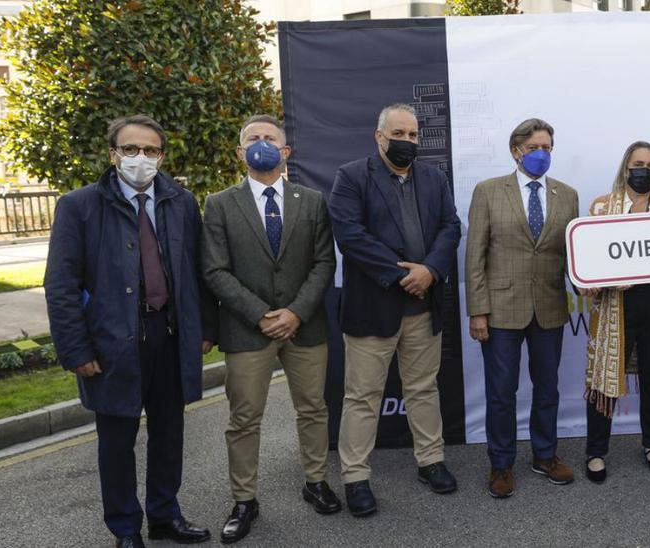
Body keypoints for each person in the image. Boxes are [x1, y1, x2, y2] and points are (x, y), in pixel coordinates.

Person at [45, 115, 216, 547]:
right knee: (116, 443)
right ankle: (124, 529)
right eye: (131, 149)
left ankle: (164, 515)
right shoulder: (79, 205)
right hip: (110, 342)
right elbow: (61, 285)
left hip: (170, 336)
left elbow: (198, 272)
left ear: (161, 155)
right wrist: (76, 348)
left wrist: (204, 329)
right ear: (113, 154)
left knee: (169, 434)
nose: (141, 158)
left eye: (151, 150)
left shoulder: (181, 201)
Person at [201, 115, 339, 542]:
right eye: (253, 140)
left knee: (313, 408)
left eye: (270, 139)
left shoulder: (312, 201)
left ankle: (315, 481)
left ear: (286, 152)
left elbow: (323, 263)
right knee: (244, 418)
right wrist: (262, 314)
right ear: (241, 153)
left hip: (305, 326)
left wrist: (295, 312)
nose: (262, 145)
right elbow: (215, 270)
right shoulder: (220, 204)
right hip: (247, 330)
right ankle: (245, 500)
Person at [327, 103, 462, 517]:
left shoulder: (433, 177)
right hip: (374, 309)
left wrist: (431, 270)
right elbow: (350, 235)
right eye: (399, 134)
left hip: (423, 307)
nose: (408, 142)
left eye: (413, 135)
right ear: (379, 137)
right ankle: (354, 477)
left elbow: (450, 226)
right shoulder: (351, 177)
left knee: (423, 390)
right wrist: (404, 274)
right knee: (363, 397)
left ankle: (430, 461)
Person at [466, 118, 579, 498]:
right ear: (516, 151)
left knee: (547, 388)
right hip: (500, 310)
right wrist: (477, 311)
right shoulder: (487, 191)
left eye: (547, 147)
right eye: (533, 148)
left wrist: (594, 284)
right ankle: (501, 464)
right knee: (501, 391)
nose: (541, 154)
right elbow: (474, 255)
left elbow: (573, 254)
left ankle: (545, 455)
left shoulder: (568, 194)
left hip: (549, 306)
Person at [580, 141, 650, 484]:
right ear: (626, 168)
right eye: (638, 163)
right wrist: (599, 281)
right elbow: (588, 259)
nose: (644, 170)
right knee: (606, 378)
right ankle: (596, 451)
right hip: (616, 306)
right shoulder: (602, 208)